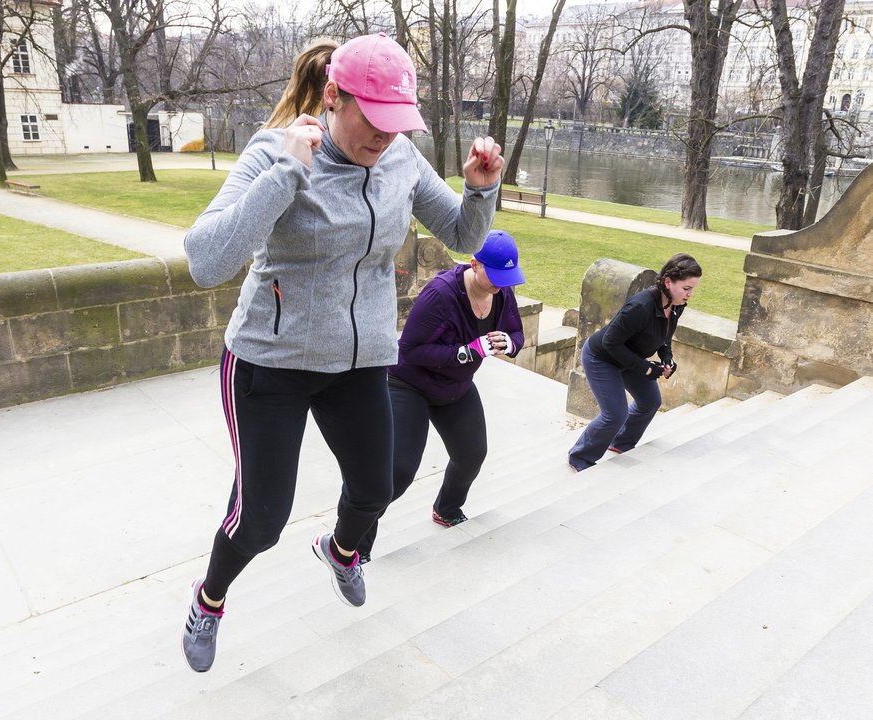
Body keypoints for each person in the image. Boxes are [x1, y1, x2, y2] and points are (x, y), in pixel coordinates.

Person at [180, 32, 504, 673]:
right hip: (269, 362)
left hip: (358, 361)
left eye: (395, 125)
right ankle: (210, 600)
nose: (383, 139)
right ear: (333, 96)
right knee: (261, 520)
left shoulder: (401, 160)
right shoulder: (275, 151)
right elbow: (205, 260)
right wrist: (284, 176)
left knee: (377, 486)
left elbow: (464, 234)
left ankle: (341, 549)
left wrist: (478, 188)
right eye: (372, 122)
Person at [356, 230, 525, 564]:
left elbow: (516, 330)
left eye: (507, 278)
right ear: (475, 264)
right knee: (399, 471)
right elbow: (410, 349)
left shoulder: (502, 293)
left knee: (472, 453)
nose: (501, 284)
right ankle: (355, 542)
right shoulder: (441, 294)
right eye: (495, 276)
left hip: (455, 387)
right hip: (409, 385)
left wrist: (510, 342)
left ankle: (447, 508)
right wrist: (467, 352)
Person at [567, 253, 703, 472]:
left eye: (693, 289)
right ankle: (580, 457)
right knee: (615, 414)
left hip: (630, 356)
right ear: (668, 282)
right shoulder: (640, 306)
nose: (690, 294)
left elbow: (664, 336)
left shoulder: (676, 304)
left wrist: (667, 358)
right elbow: (611, 342)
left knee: (650, 402)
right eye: (686, 288)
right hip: (602, 357)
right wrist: (646, 368)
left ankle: (621, 443)